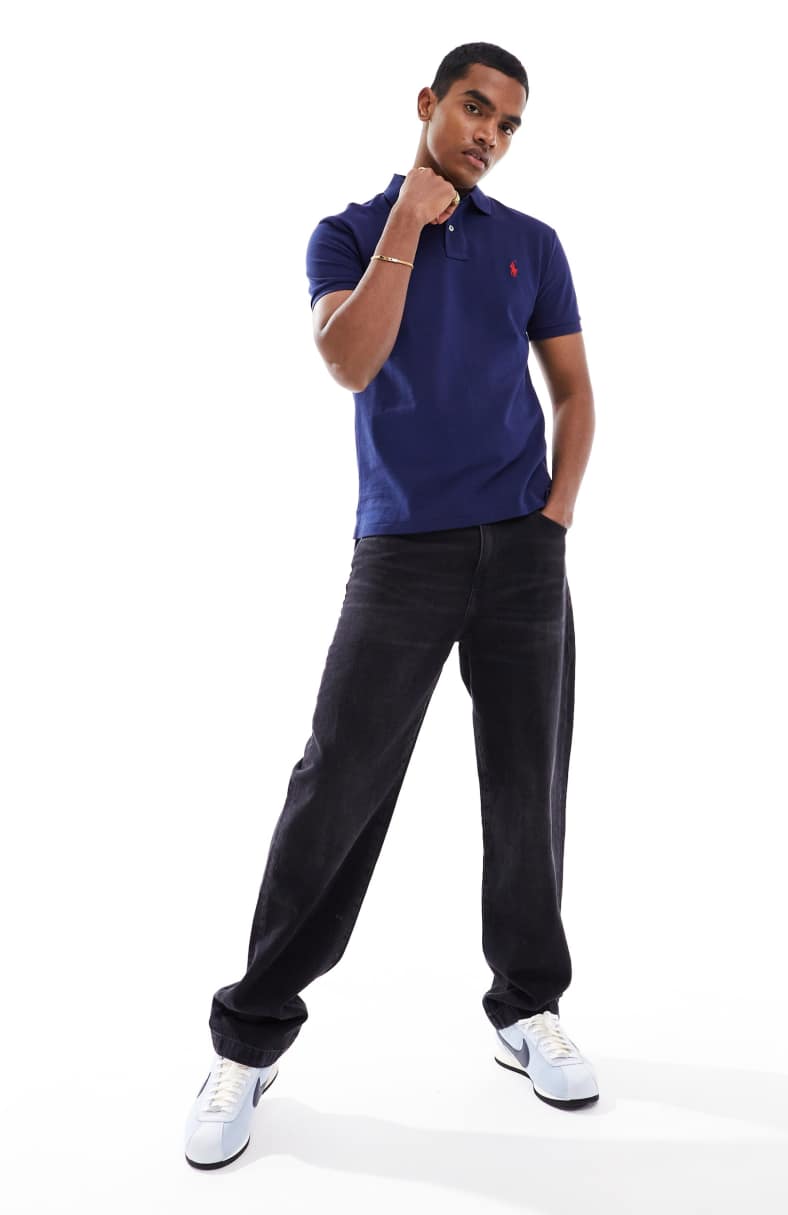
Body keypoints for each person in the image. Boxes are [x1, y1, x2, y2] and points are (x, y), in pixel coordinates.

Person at [184, 41, 597, 1170]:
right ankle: (249, 1039)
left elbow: (572, 390)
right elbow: (349, 362)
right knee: (336, 786)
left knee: (527, 787)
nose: (489, 135)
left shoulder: (532, 244)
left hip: (522, 554)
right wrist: (409, 225)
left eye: (508, 124)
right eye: (474, 109)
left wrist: (553, 520)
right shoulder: (347, 233)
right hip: (403, 554)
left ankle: (527, 1007)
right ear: (429, 103)